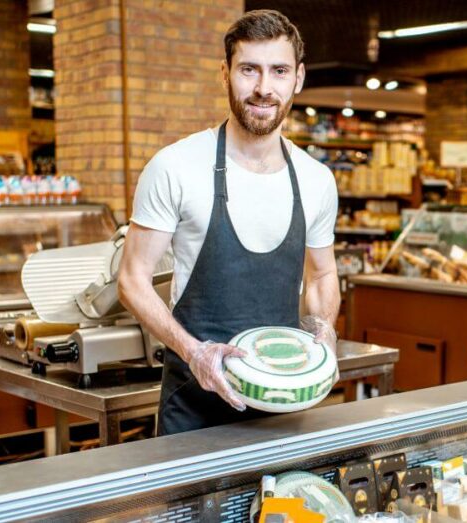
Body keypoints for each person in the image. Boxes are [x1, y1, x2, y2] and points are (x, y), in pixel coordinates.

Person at [117, 9, 340, 436]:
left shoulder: (316, 180)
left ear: (298, 78)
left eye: (278, 71)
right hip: (193, 408)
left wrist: (323, 330)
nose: (263, 88)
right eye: (248, 70)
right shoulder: (176, 167)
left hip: (282, 407)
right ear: (225, 73)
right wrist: (193, 351)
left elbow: (322, 275)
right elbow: (131, 280)